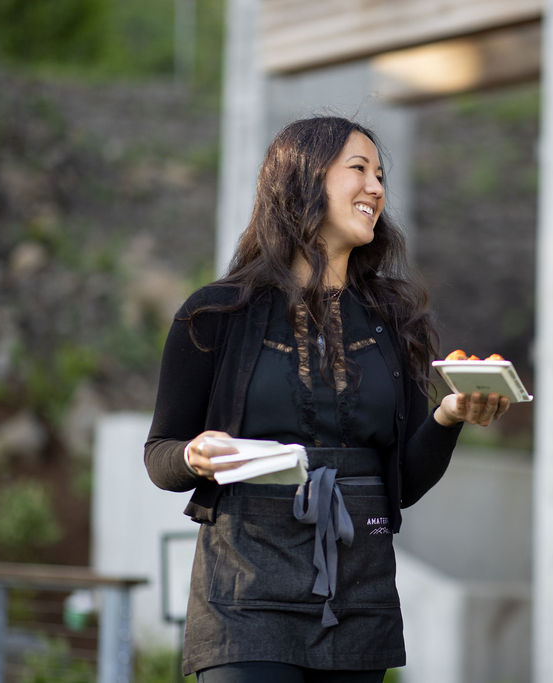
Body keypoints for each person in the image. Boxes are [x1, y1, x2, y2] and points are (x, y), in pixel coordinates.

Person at [144, 116, 510, 683]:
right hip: (245, 590)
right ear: (303, 179)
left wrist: (448, 416)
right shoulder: (214, 313)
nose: (376, 188)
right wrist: (194, 455)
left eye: (381, 175)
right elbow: (159, 455)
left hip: (360, 587)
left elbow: (404, 485)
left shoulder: (394, 321)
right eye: (359, 169)